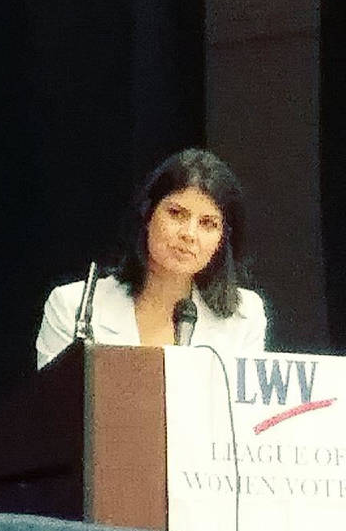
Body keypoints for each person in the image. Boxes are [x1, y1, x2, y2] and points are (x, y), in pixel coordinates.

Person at [34, 148, 266, 370]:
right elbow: (58, 407)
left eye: (207, 223)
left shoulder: (244, 316)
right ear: (147, 214)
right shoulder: (72, 307)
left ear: (223, 238)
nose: (189, 234)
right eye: (176, 214)